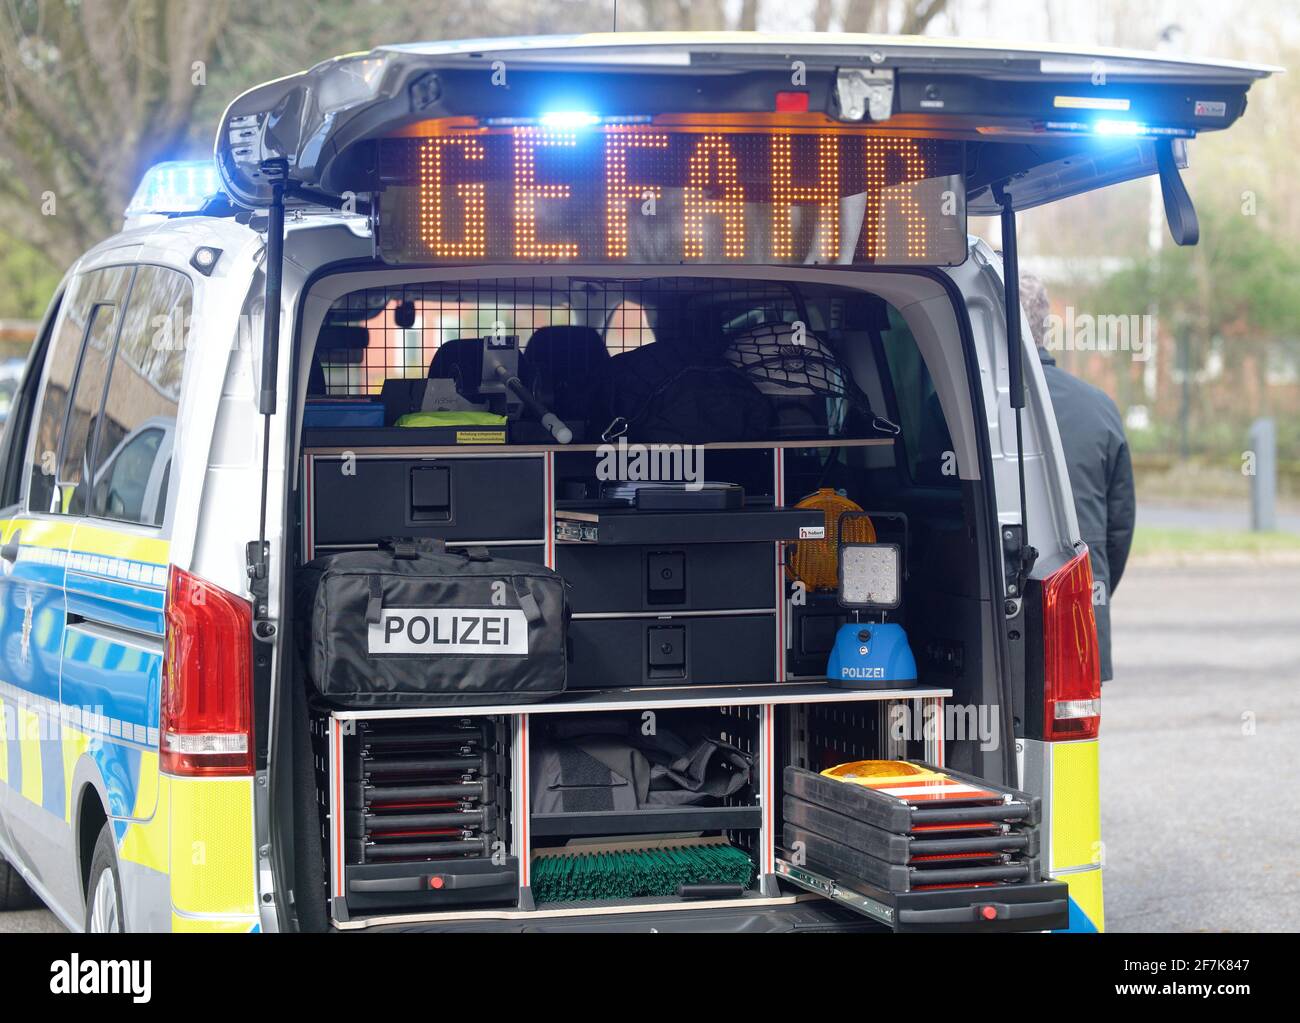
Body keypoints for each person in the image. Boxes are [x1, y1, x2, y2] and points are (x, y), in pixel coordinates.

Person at [1020, 273, 1135, 683]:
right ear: (1045, 327)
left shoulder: (952, 403)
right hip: (1077, 619)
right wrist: (1088, 592)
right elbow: (1118, 530)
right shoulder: (1100, 407)